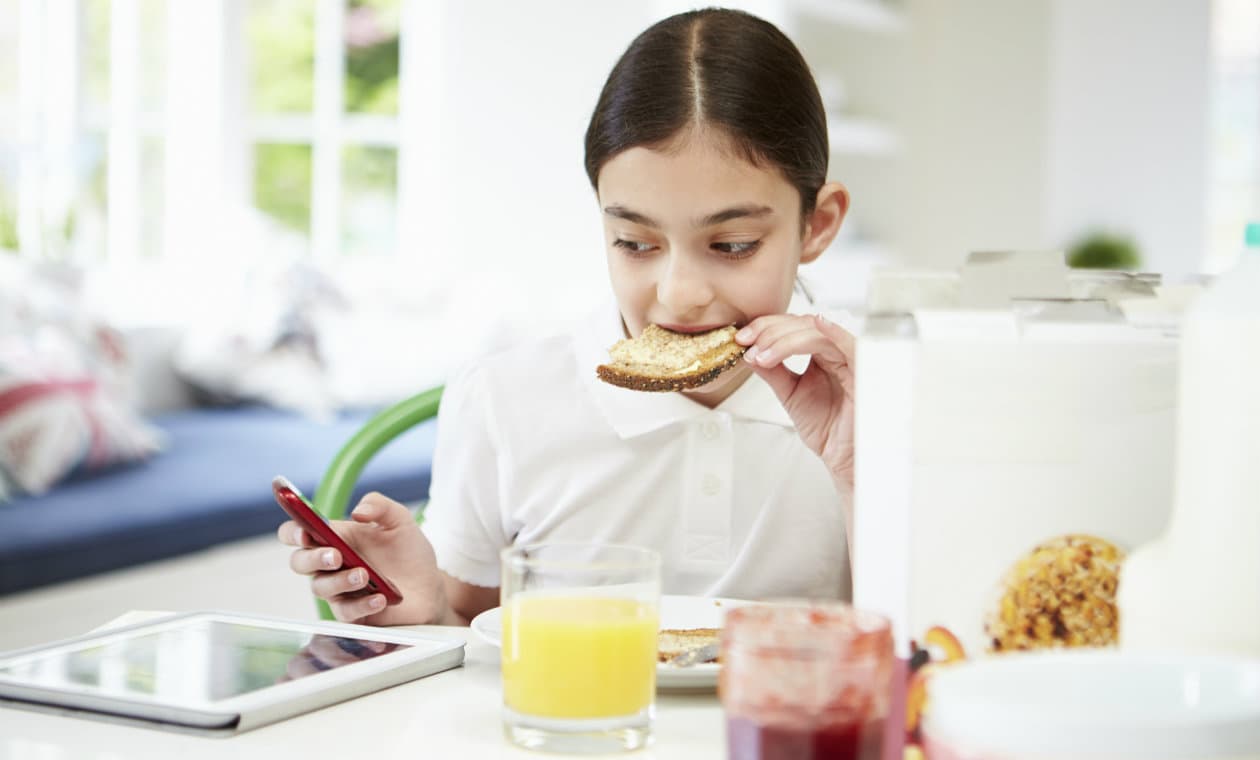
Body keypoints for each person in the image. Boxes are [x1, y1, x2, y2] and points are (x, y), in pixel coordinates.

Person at [278, 7, 857, 626]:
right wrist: (427, 615)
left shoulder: (879, 397)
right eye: (635, 243)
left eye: (733, 245)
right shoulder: (504, 400)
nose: (680, 293)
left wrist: (858, 468)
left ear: (816, 225)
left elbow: (923, 641)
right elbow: (474, 629)